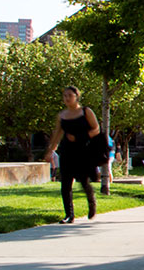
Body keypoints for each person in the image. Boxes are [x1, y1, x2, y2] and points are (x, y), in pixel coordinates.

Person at [42, 86, 101, 224]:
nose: (67, 98)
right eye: (65, 96)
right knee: (66, 184)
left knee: (84, 181)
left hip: (82, 151)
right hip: (67, 152)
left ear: (77, 96)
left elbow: (96, 129)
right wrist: (51, 150)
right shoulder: (62, 116)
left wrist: (80, 137)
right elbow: (57, 134)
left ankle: (92, 204)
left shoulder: (86, 112)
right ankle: (69, 214)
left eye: (70, 95)